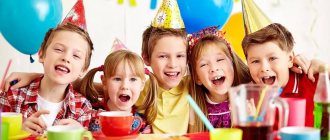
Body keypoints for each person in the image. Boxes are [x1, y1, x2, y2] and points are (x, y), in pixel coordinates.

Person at [0, 22, 94, 135]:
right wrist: (18, 132)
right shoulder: (13, 95)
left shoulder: (82, 107)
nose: (66, 58)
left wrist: (80, 134)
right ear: (41, 54)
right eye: (59, 49)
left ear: (83, 70)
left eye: (76, 56)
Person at [242, 23, 322, 127]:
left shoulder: (313, 81)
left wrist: (326, 68)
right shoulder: (247, 99)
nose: (264, 68)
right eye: (256, 61)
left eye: (272, 58)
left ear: (289, 59)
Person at [187, 26, 252, 132]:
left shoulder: (249, 95)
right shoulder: (194, 108)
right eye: (204, 64)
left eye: (220, 59)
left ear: (232, 63)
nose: (214, 68)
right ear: (197, 77)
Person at [79, 50, 151, 133]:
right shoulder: (88, 113)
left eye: (133, 79)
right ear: (104, 82)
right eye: (117, 79)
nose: (125, 86)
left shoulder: (142, 123)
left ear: (142, 85)